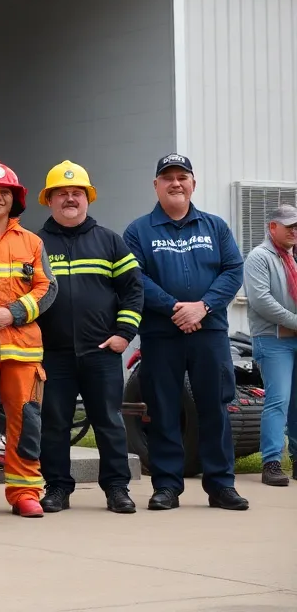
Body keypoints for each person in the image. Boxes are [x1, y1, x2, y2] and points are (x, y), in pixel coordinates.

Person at [124, 154, 248, 511]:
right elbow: (135, 278)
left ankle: (221, 485)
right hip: (162, 334)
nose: (175, 183)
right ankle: (166, 487)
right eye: (167, 178)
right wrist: (175, 308)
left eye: (182, 177)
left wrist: (203, 306)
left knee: (215, 407)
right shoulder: (139, 230)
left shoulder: (215, 227)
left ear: (193, 183)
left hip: (209, 332)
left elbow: (232, 269)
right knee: (163, 409)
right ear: (156, 185)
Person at [36, 160, 142, 514]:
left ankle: (116, 488)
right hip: (53, 354)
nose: (70, 198)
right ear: (49, 200)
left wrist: (124, 334)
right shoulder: (34, 243)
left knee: (110, 423)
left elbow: (133, 291)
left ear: (88, 199)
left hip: (102, 352)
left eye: (76, 193)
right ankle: (57, 488)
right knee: (54, 426)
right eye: (62, 193)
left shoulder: (110, 241)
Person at [0, 161, 56, 517]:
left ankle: (25, 492)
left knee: (26, 422)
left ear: (15, 199)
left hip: (22, 349)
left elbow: (47, 289)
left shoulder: (33, 242)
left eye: (4, 192)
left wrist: (12, 313)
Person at [243, 203, 297, 487]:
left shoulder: (293, 256)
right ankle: (272, 463)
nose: (294, 231)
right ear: (272, 227)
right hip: (273, 340)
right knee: (278, 402)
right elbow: (261, 301)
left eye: (296, 226)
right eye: (288, 226)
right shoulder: (258, 257)